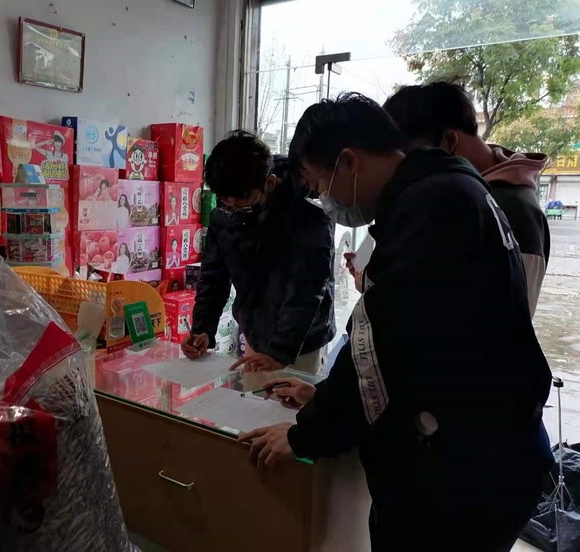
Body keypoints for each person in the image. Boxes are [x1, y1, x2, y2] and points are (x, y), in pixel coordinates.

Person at [240, 94, 553, 551]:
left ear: (349, 162)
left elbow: (385, 344)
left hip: (467, 474)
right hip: (482, 456)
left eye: (319, 182)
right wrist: (324, 396)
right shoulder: (445, 191)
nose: (324, 198)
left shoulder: (433, 207)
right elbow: (398, 337)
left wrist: (306, 435)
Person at [383, 82, 550, 316]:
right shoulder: (462, 195)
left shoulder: (514, 209)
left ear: (450, 141)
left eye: (416, 160)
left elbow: (511, 319)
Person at [182, 130, 335, 375]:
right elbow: (213, 277)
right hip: (256, 335)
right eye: (225, 200)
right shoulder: (225, 211)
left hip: (301, 343)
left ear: (269, 183)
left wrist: (280, 352)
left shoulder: (307, 214)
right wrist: (202, 329)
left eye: (243, 201)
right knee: (253, 398)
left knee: (293, 399)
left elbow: (306, 290)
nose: (233, 207)